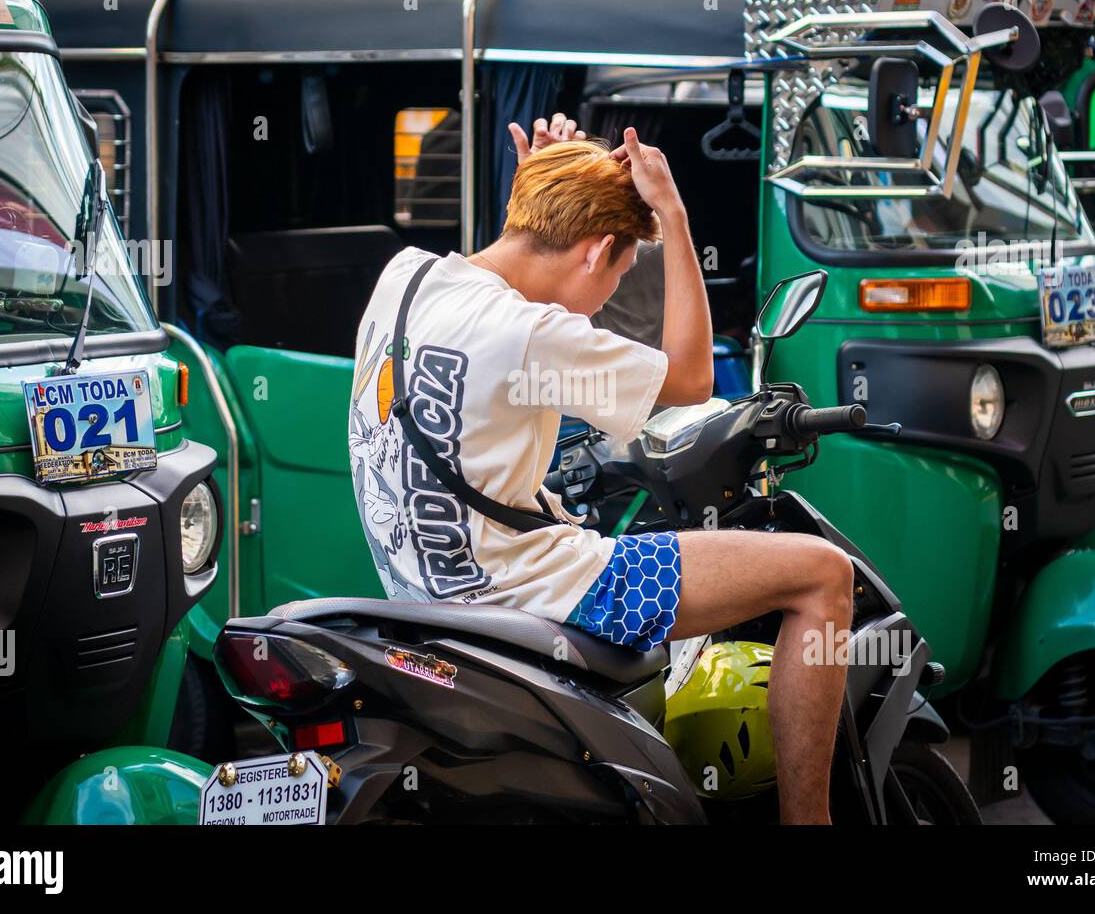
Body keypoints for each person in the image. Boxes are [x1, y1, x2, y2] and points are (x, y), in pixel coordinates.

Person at [348, 113, 853, 824]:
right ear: (594, 253)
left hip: (422, 594)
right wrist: (674, 217)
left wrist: (547, 183)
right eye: (617, 273)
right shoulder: (534, 334)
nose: (608, 298)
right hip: (539, 594)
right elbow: (693, 378)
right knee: (823, 574)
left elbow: (505, 273)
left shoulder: (405, 280)